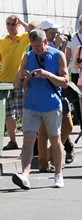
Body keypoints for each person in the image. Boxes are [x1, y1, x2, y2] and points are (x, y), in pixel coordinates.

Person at [12, 29, 68, 189]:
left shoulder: (58, 55)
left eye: (38, 46)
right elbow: (16, 84)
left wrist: (47, 75)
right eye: (33, 46)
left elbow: (65, 82)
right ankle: (25, 175)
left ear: (46, 42)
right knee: (28, 140)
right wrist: (20, 76)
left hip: (51, 105)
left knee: (55, 139)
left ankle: (58, 174)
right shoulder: (28, 56)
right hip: (31, 105)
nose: (35, 49)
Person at [36, 20, 75, 169]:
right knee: (44, 131)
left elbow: (63, 65)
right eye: (53, 32)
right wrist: (58, 46)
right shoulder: (40, 48)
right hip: (45, 93)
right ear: (45, 33)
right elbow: (48, 67)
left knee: (68, 126)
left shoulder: (55, 46)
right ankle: (44, 162)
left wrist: (63, 47)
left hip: (59, 93)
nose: (57, 35)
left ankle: (51, 156)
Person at [1, 15, 30, 150]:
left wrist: (21, 20)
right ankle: (12, 141)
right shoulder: (2, 41)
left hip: (19, 81)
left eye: (13, 24)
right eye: (8, 24)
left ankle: (26, 142)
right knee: (8, 115)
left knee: (22, 113)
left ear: (18, 25)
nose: (11, 26)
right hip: (4, 82)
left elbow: (33, 29)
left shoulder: (24, 37)